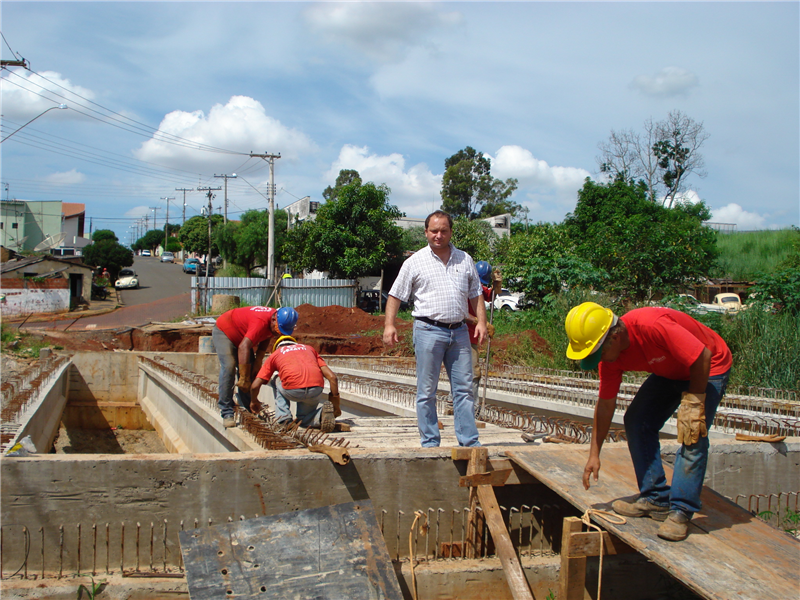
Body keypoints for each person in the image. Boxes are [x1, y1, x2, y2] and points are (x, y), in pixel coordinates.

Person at [565, 302, 732, 542]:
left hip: (708, 364)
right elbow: (605, 404)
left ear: (615, 336)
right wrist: (594, 453)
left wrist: (694, 405)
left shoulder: (652, 326)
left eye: (597, 353)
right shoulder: (610, 358)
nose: (598, 360)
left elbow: (702, 355)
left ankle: (681, 511)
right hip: (671, 368)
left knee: (692, 432)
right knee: (637, 420)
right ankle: (655, 499)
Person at [383, 210, 487, 448]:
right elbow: (395, 295)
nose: (438, 235)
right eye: (434, 231)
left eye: (444, 230)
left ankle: (469, 442)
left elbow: (476, 294)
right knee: (426, 390)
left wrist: (481, 321)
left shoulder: (465, 259)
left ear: (450, 231)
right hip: (428, 331)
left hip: (459, 332)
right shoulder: (414, 262)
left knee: (463, 390)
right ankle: (430, 441)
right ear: (426, 232)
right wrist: (389, 325)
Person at [212, 306, 299, 428]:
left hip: (243, 337)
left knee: (251, 369)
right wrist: (243, 377)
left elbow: (266, 337)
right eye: (278, 330)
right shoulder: (260, 321)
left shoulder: (274, 322)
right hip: (225, 331)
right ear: (274, 319)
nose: (276, 334)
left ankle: (248, 408)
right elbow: (243, 346)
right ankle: (226, 411)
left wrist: (258, 361)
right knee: (229, 367)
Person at [250, 336, 340, 433]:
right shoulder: (309, 349)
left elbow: (255, 385)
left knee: (276, 379)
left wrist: (254, 400)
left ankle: (284, 419)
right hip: (315, 389)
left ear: (277, 347)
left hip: (292, 391)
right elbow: (333, 378)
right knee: (304, 420)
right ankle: (321, 415)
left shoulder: (275, 354)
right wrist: (335, 406)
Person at [468, 261, 502, 416]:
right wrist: (481, 322)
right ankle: (473, 408)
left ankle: (455, 401)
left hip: (473, 338)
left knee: (468, 373)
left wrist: (497, 284)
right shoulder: (465, 288)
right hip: (462, 336)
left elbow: (492, 296)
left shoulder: (479, 288)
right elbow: (460, 313)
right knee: (472, 372)